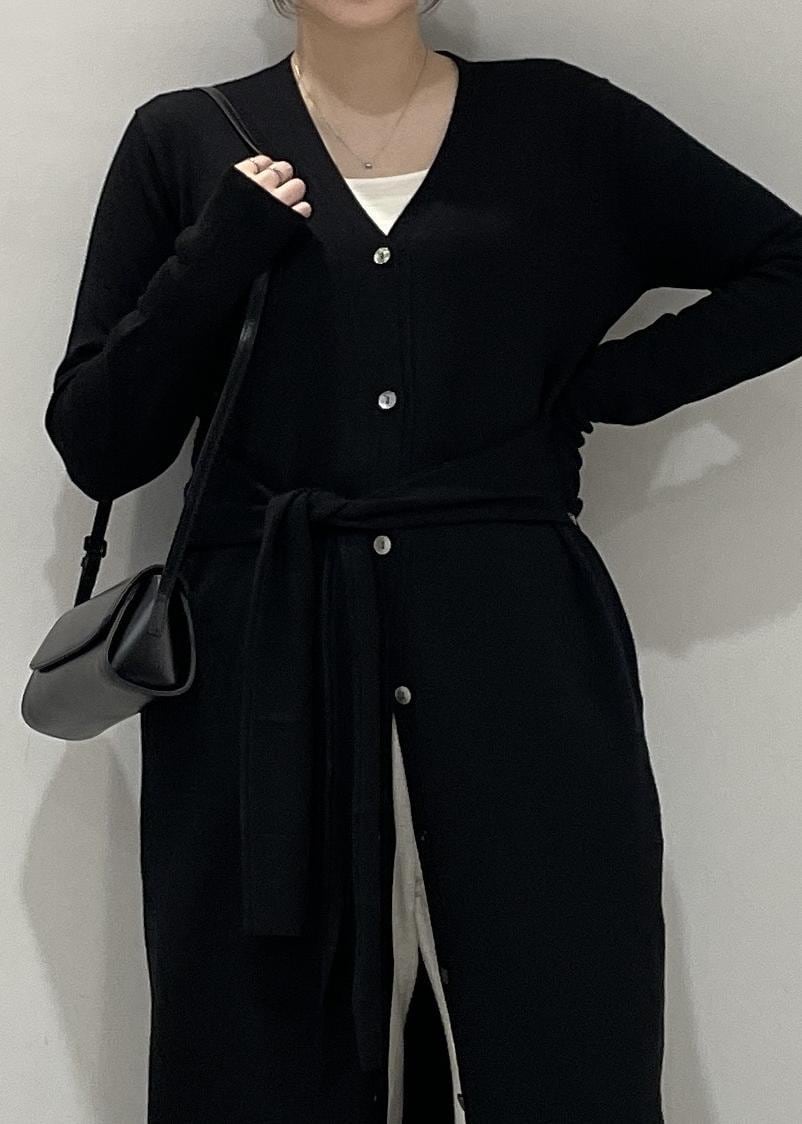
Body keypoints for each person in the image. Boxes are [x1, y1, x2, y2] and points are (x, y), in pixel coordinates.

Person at [43, 0, 802, 1120]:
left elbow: (784, 266)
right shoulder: (183, 138)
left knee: (554, 1018)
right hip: (265, 669)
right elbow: (99, 442)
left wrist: (597, 391)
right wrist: (217, 254)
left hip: (516, 658)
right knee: (259, 1050)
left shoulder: (559, 122)